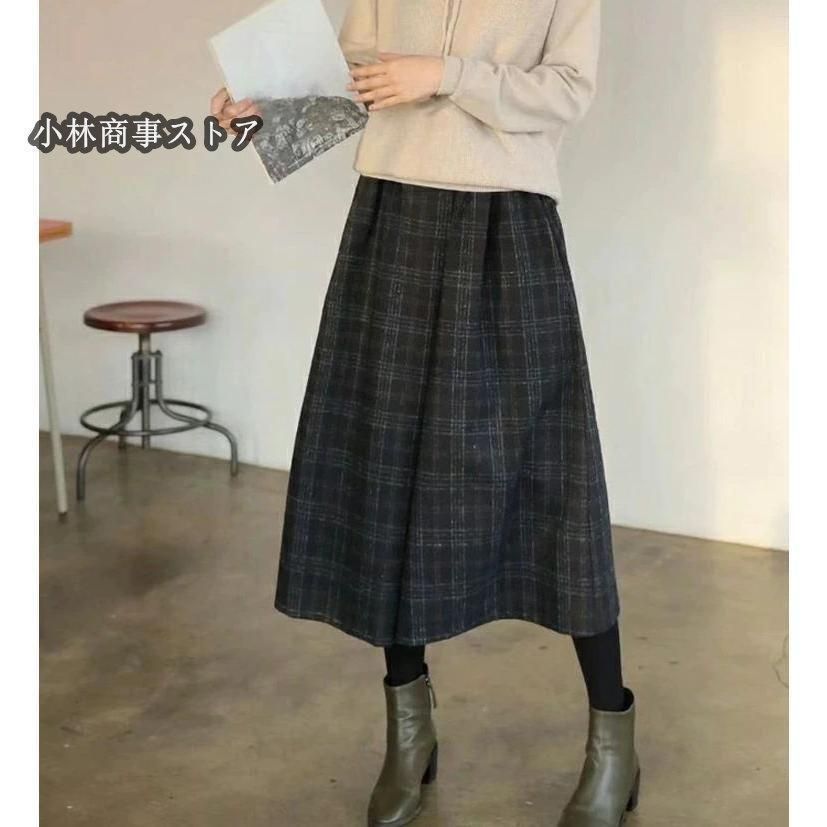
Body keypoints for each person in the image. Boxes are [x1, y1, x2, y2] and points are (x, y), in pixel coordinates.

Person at [212, 1, 639, 825]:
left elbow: (569, 89)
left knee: (554, 485)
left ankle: (612, 740)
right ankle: (409, 729)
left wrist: (444, 75)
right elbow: (349, 85)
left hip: (507, 225)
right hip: (391, 217)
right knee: (387, 472)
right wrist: (264, 106)